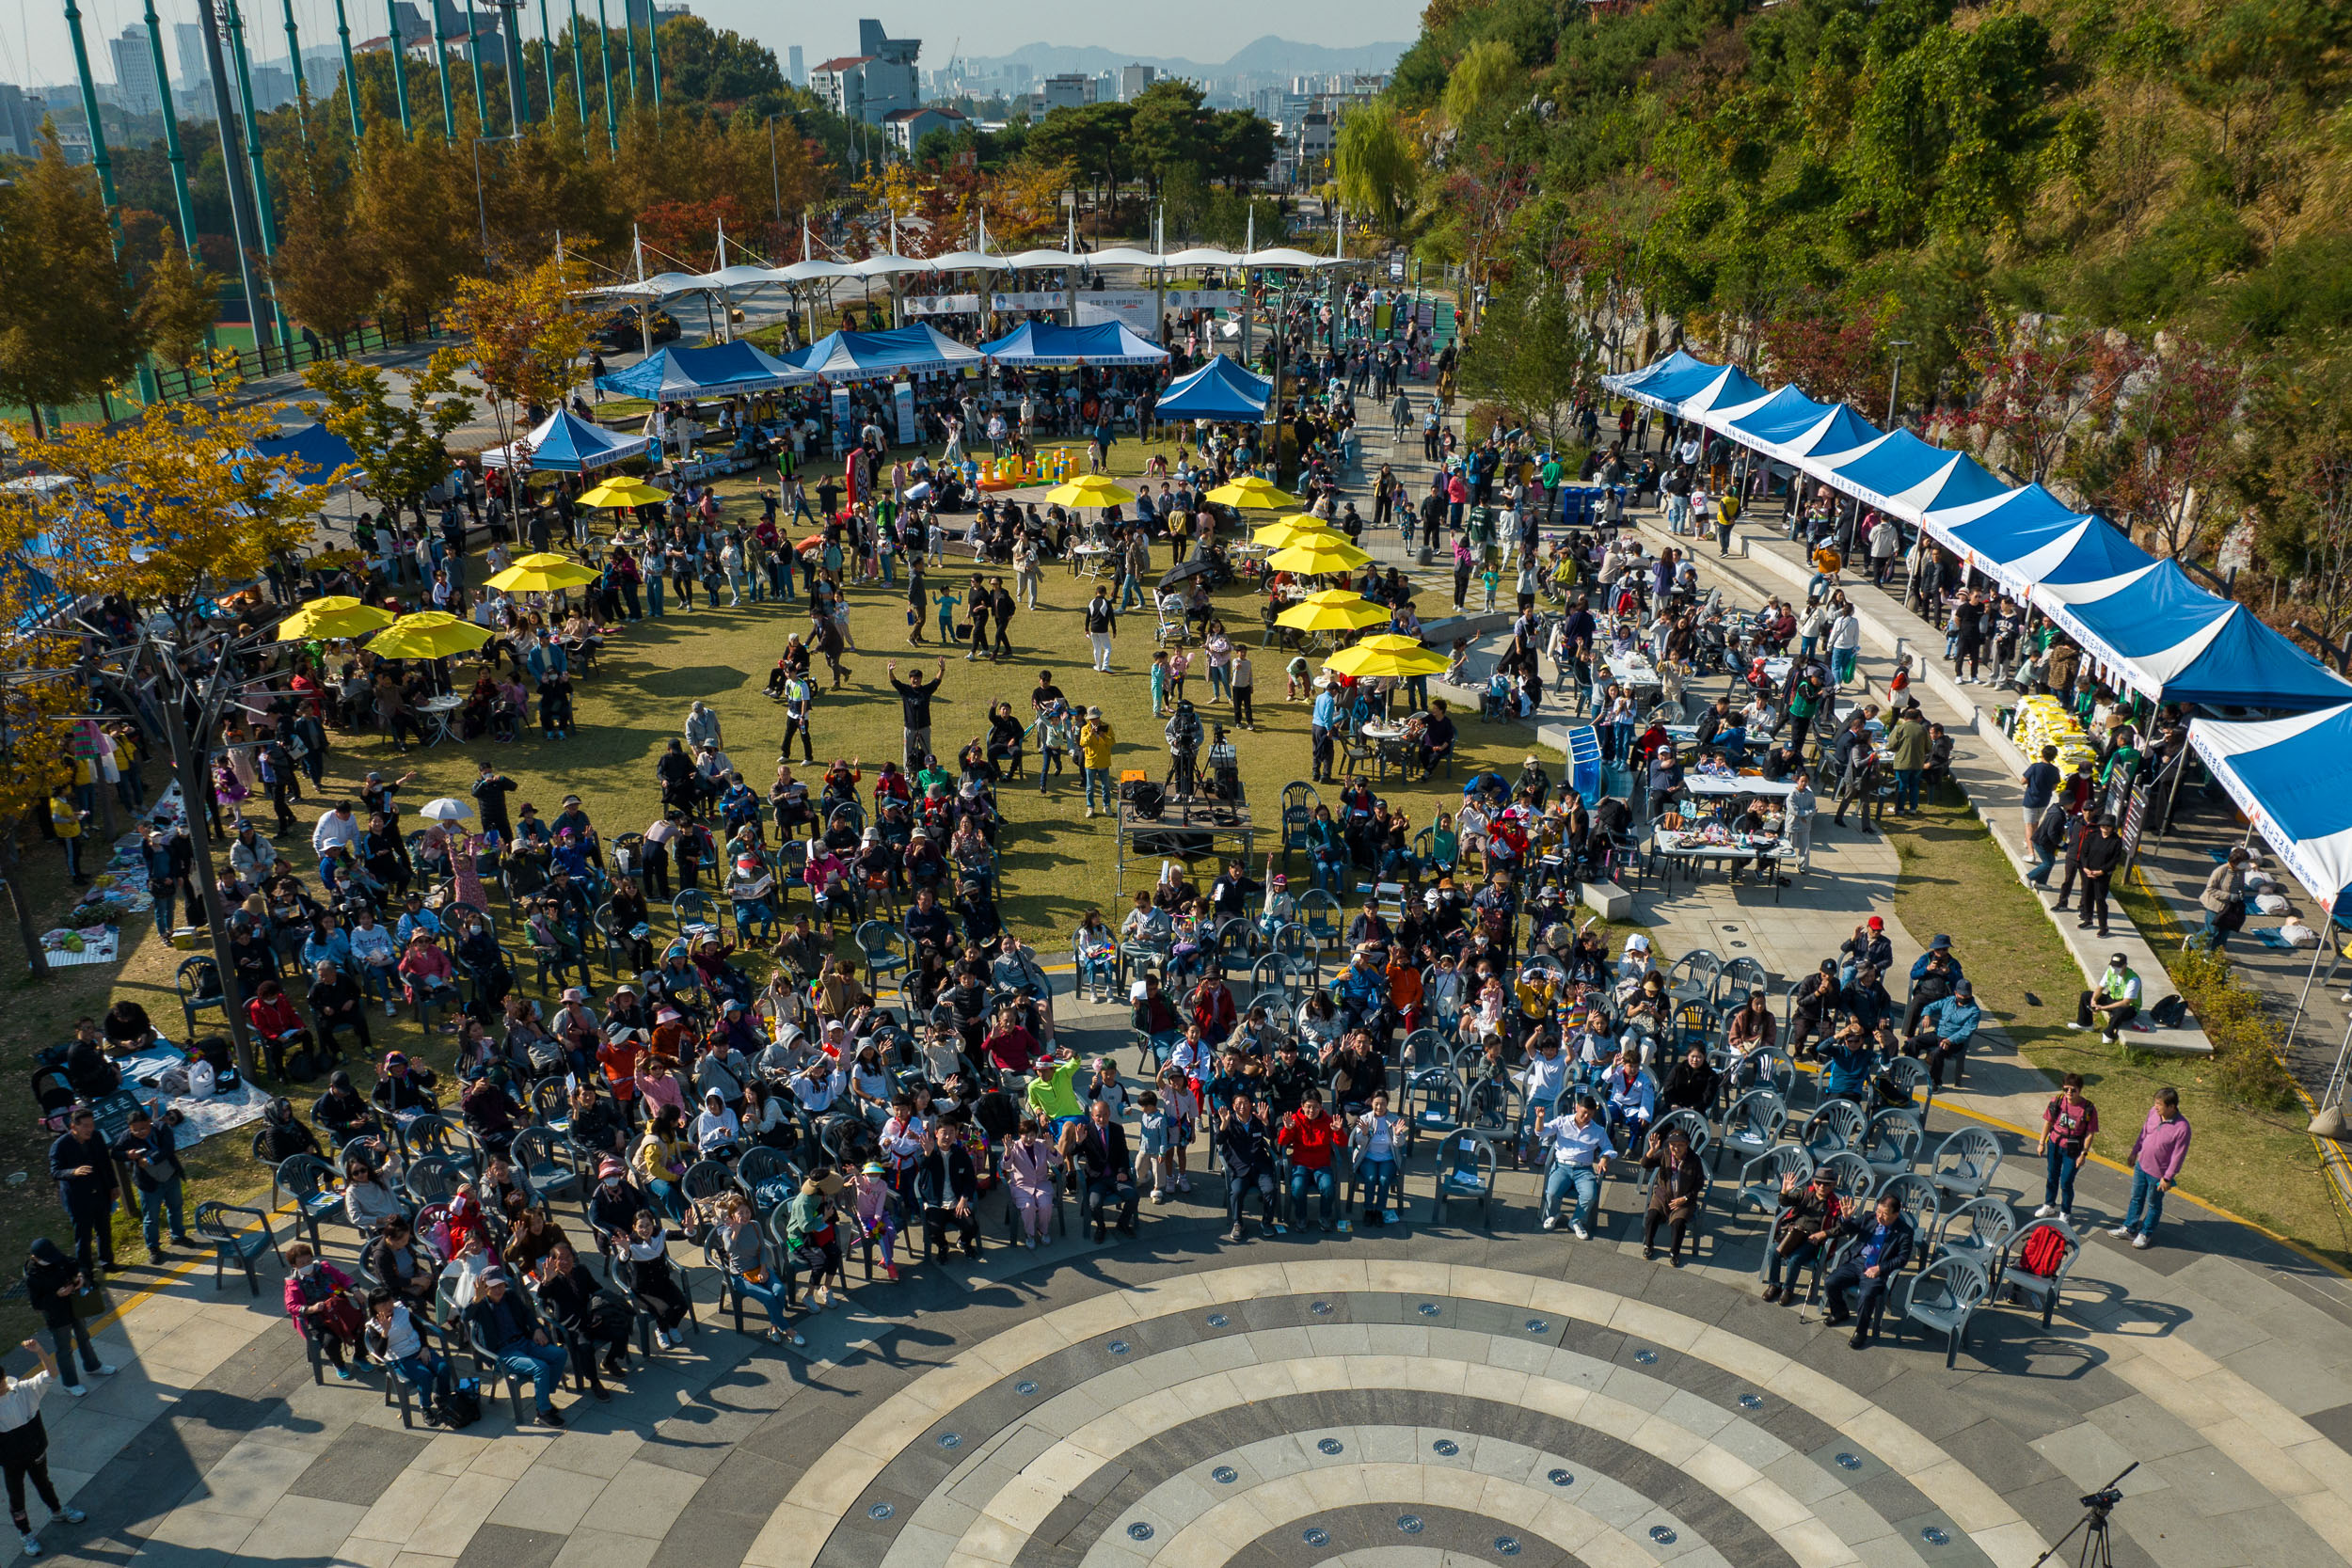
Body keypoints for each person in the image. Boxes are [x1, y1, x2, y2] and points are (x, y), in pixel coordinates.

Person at [0, 1336, 87, 1558]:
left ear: (3, 1379)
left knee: (44, 1483)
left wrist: (40, 1351)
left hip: (36, 1449)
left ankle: (57, 1511)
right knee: (16, 1497)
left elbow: (51, 1374)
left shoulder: (24, 1391)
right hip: (11, 1461)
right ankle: (25, 1534)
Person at [465, 1267, 571, 1424]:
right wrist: (476, 1300)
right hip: (503, 1353)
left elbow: (527, 1313)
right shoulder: (480, 1304)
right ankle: (543, 1411)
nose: (498, 1290)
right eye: (493, 1287)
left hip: (523, 1341)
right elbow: (465, 1316)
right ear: (485, 1287)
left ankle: (542, 1396)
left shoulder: (510, 1296)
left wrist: (536, 1329)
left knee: (560, 1354)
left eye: (500, 1285)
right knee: (540, 1368)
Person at [1822, 1193, 1915, 1348]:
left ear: (1896, 1214)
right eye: (1878, 1211)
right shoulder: (1869, 1217)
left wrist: (1880, 1268)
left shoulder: (1905, 1232)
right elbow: (1848, 1229)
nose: (1879, 1216)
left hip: (1878, 1268)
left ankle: (1861, 1331)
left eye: (1884, 1214)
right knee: (1830, 1282)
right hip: (1857, 1261)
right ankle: (1839, 1311)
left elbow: (1902, 1259)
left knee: (1866, 1295)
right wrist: (1845, 1218)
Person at [21, 1241, 109, 1401]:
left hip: (75, 1307)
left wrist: (81, 1275)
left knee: (84, 1337)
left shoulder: (57, 1258)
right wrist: (57, 1295)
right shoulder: (33, 1276)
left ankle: (93, 1366)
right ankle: (70, 1383)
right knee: (64, 1349)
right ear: (35, 1257)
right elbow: (37, 1304)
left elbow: (76, 1264)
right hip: (57, 1315)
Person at [365, 1287, 459, 1422]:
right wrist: (385, 1332)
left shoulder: (401, 1310)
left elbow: (419, 1329)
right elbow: (379, 1353)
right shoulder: (373, 1326)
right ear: (374, 1307)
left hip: (420, 1349)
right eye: (383, 1304)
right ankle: (425, 1406)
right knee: (424, 1375)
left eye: (389, 1301)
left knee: (443, 1367)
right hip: (401, 1359)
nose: (388, 1306)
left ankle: (442, 1396)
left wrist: (425, 1347)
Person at [2111, 1087, 2189, 1249]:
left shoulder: (2182, 1128)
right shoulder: (2153, 1113)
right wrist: (2134, 1152)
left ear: (2172, 1106)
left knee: (2153, 1204)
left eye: (2159, 1104)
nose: (2156, 1107)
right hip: (2141, 1165)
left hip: (2158, 1174)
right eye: (2155, 1103)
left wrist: (2167, 1177)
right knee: (2136, 1198)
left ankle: (2145, 1233)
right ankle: (2129, 1228)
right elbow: (2143, 1133)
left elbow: (2178, 1156)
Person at [113, 1107, 192, 1262]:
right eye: (135, 1130)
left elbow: (168, 1149)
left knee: (175, 1207)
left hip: (170, 1175)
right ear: (130, 1129)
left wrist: (149, 1160)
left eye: (143, 1128)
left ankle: (178, 1236)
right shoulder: (127, 1136)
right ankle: (153, 1247)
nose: (140, 1132)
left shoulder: (162, 1128)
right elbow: (115, 1153)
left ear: (150, 1122)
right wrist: (127, 1155)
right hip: (148, 1182)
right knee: (151, 1217)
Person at [46, 1109, 117, 1278]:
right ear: (73, 1126)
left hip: (100, 1191)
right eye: (85, 1126)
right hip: (78, 1198)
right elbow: (55, 1172)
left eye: (91, 1125)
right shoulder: (61, 1145)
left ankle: (107, 1262)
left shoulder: (97, 1137)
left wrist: (113, 1186)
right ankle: (86, 1272)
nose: (89, 1129)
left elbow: (106, 1163)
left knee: (104, 1229)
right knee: (83, 1237)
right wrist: (73, 1172)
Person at [282, 1241, 366, 1380]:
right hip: (317, 1319)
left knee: (361, 1327)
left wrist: (355, 1290)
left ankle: (360, 1356)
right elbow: (291, 1306)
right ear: (294, 1266)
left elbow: (343, 1278)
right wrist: (311, 1309)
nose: (307, 1265)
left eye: (309, 1261)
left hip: (339, 1310)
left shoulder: (325, 1268)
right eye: (302, 1263)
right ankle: (339, 1364)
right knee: (330, 1341)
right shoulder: (293, 1283)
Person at [1760, 1165, 1844, 1304]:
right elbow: (1785, 1202)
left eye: (1827, 1184)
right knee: (1773, 1252)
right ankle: (1774, 1284)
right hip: (1794, 1233)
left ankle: (1788, 1289)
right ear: (1813, 1182)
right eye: (1818, 1183)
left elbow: (1841, 1228)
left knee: (1795, 1259)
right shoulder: (1806, 1193)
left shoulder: (1835, 1204)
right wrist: (1785, 1192)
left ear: (1834, 1185)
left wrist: (1823, 1234)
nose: (1822, 1187)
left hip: (1812, 1240)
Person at [1537, 1093, 1613, 1238]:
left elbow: (1608, 1148)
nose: (1586, 1117)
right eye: (1584, 1112)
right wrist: (1540, 1118)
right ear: (1577, 1107)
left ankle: (1576, 1221)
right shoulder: (1562, 1122)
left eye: (1590, 1114)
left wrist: (1604, 1158)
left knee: (1590, 1195)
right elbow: (1541, 1132)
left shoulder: (1597, 1130)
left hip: (1583, 1169)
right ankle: (1554, 1214)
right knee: (1552, 1192)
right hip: (1562, 1166)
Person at [1216, 1093, 1280, 1242]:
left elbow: (1272, 1136)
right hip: (1239, 1168)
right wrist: (1224, 1125)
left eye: (1245, 1102)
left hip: (1260, 1166)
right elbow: (1219, 1140)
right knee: (1237, 1192)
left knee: (1270, 1190)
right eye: (1238, 1103)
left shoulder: (1257, 1119)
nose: (1242, 1106)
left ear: (1251, 1104)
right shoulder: (1230, 1121)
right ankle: (1238, 1223)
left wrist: (1265, 1122)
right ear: (1233, 1106)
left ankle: (1266, 1222)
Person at [1639, 1125, 1706, 1263]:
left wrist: (1685, 1198)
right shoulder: (1665, 1154)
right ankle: (1648, 1245)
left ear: (1687, 1145)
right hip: (1663, 1195)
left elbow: (1699, 1183)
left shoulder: (1694, 1160)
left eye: (1680, 1145)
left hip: (1683, 1199)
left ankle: (1674, 1252)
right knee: (1651, 1216)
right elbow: (1645, 1164)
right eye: (1673, 1145)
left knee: (1678, 1223)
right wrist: (1652, 1151)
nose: (1676, 1148)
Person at [1074, 1098, 1138, 1241]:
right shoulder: (1086, 1131)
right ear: (1093, 1116)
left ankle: (1122, 1223)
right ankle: (1101, 1227)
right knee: (1094, 1203)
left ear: (1109, 1114)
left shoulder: (1117, 1129)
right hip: (1097, 1178)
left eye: (1104, 1115)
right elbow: (1073, 1153)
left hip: (1116, 1176)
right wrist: (1079, 1142)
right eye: (1098, 1115)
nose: (1101, 1119)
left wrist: (1122, 1171)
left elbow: (1124, 1152)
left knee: (1133, 1196)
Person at [2037, 1074, 2098, 1223]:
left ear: (2080, 1090)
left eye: (2073, 1090)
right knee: (2052, 1176)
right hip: (2054, 1144)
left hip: (2073, 1149)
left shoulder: (2088, 1108)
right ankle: (2049, 1204)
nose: (2069, 1093)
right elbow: (2048, 1122)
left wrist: (2083, 1154)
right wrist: (2041, 1142)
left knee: (2066, 1181)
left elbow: (2090, 1133)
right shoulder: (2057, 1101)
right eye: (2066, 1089)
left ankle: (2065, 1211)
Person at [1907, 980, 1981, 1088]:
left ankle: (1935, 1081)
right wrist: (1927, 1015)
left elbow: (1966, 1031)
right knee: (1914, 1041)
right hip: (1938, 1033)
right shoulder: (1948, 1001)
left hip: (1954, 1041)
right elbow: (1930, 1007)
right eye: (1962, 995)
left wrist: (1950, 1040)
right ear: (1956, 993)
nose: (1964, 997)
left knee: (1938, 1053)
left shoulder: (1974, 1011)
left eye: (1967, 995)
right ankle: (1909, 1070)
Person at [2076, 953, 2141, 1043]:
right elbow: (2100, 988)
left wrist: (2102, 1008)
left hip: (2129, 1007)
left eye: (2118, 967)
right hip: (2112, 999)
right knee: (2086, 995)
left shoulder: (2133, 980)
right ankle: (2085, 1024)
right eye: (2113, 966)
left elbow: (2126, 1002)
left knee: (2120, 1011)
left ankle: (2108, 1033)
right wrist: (2093, 1000)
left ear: (2125, 965)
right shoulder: (2110, 971)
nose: (2114, 969)